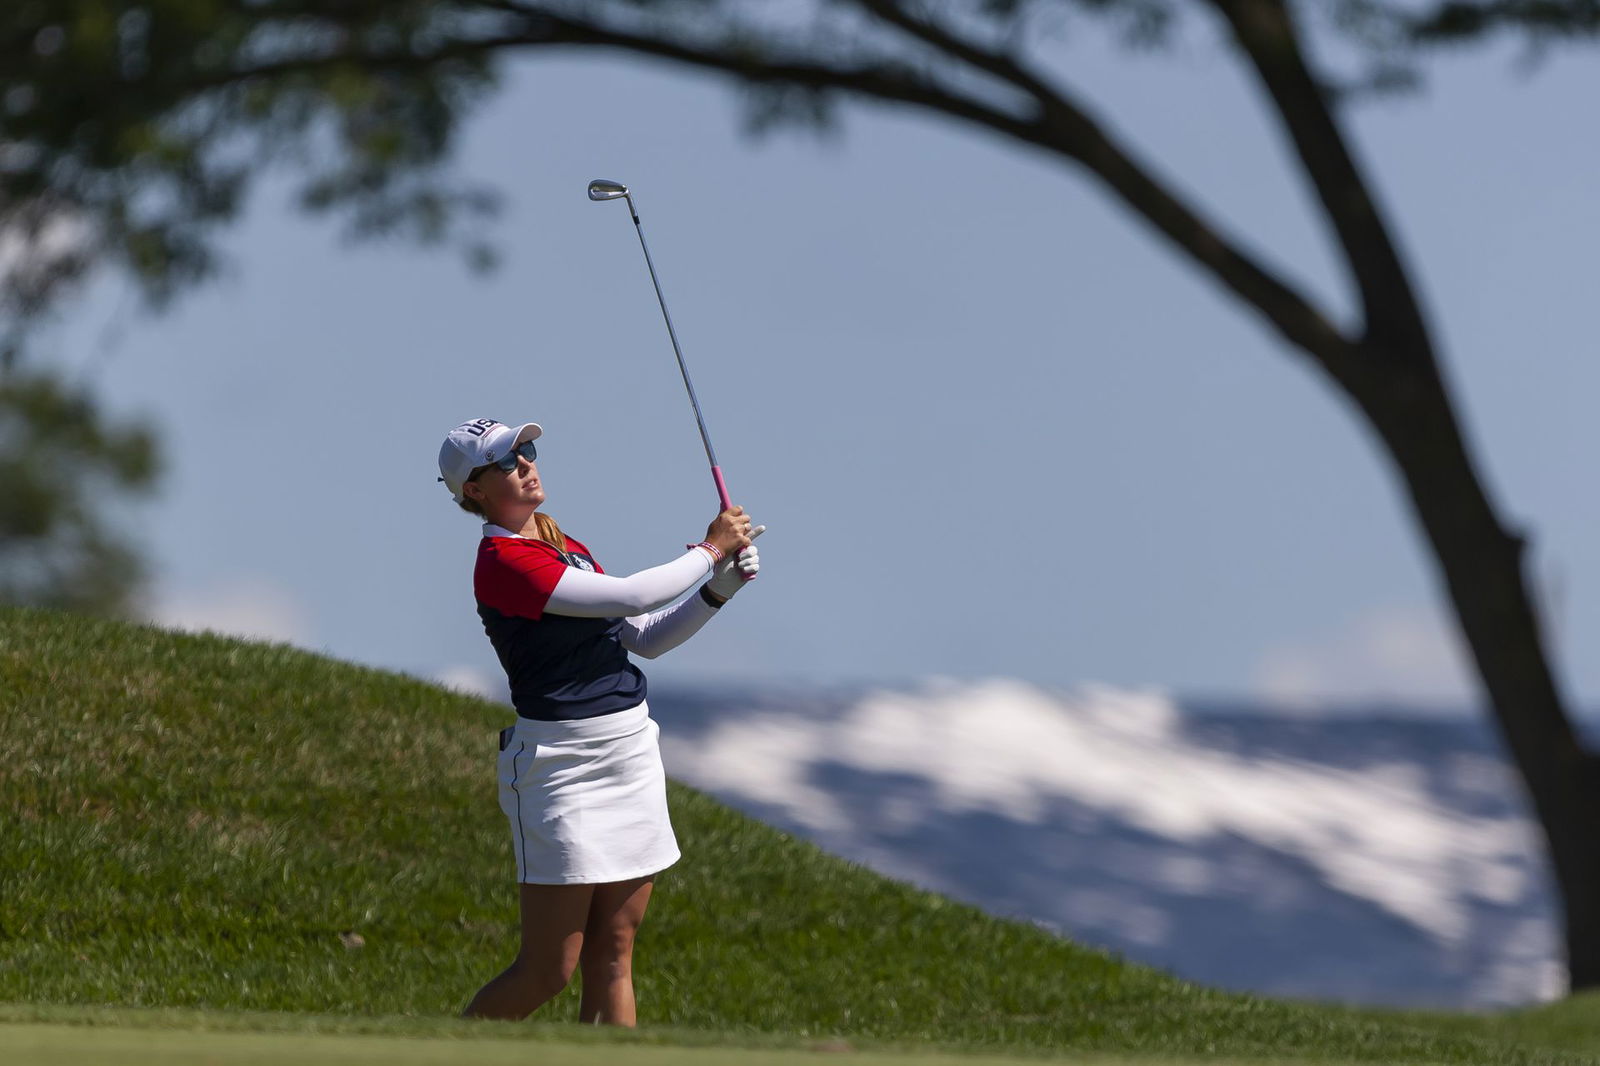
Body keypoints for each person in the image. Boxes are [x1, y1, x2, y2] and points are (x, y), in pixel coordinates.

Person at [437, 417, 762, 1025]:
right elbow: (635, 595)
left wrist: (718, 589)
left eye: (527, 450)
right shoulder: (503, 562)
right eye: (506, 461)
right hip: (560, 767)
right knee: (547, 970)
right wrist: (711, 548)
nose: (526, 464)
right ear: (474, 490)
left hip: (630, 750)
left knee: (614, 955)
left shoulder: (567, 547)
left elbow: (643, 638)